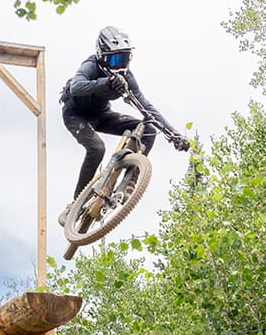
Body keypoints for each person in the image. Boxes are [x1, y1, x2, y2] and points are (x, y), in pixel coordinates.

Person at [58, 25, 190, 225]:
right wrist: (107, 82)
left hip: (101, 114)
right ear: (102, 56)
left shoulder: (127, 78)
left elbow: (147, 108)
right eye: (114, 59)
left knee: (147, 130)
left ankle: (129, 181)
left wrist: (173, 134)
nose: (119, 64)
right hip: (75, 115)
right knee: (97, 148)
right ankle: (76, 203)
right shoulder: (91, 65)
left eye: (124, 58)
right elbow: (76, 87)